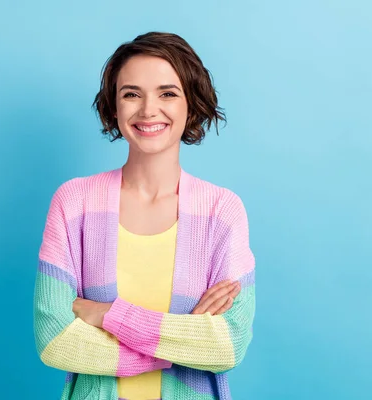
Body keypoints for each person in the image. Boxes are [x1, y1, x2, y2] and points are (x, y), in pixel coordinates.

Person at [33, 31, 256, 400]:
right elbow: (56, 340)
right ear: (114, 106)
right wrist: (179, 345)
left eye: (167, 93)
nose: (148, 109)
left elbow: (227, 346)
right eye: (131, 94)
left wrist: (108, 315)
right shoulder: (74, 203)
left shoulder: (222, 211)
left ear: (192, 103)